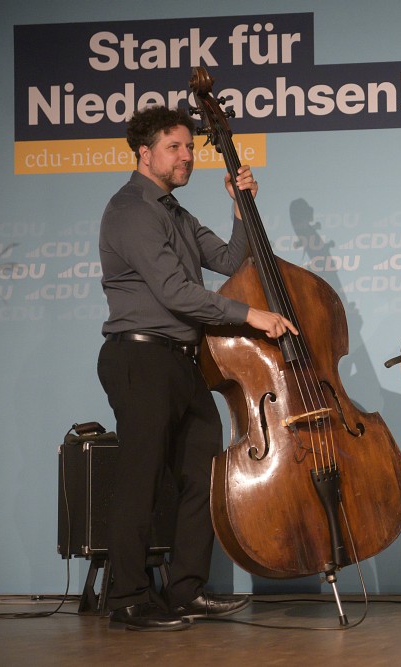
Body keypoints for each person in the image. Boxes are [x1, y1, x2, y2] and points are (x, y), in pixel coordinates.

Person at [97, 106, 297, 631]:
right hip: (140, 356)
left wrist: (241, 208)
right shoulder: (132, 210)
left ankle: (185, 591)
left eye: (189, 147)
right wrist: (251, 315)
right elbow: (175, 292)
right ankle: (128, 599)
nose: (187, 156)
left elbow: (230, 261)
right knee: (140, 479)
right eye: (175, 147)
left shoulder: (176, 213)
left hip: (181, 361)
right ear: (145, 153)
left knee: (203, 477)